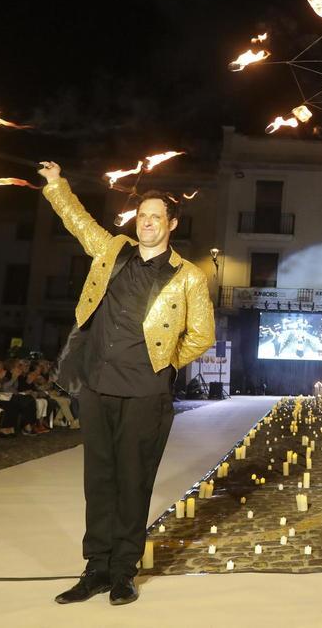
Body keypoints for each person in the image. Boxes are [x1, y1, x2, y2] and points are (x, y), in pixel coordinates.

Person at [38, 161, 215, 606]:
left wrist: (165, 363)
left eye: (156, 216)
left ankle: (123, 572)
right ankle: (95, 568)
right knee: (98, 480)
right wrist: (57, 184)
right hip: (97, 385)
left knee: (133, 481)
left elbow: (201, 335)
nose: (148, 222)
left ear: (172, 224)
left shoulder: (188, 275)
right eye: (142, 216)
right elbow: (79, 222)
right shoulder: (113, 250)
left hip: (145, 392)